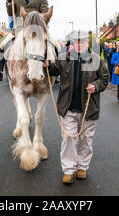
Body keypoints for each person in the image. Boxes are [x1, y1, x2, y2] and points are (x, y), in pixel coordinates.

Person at [45, 30, 109, 184]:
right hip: (68, 108)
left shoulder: (96, 59)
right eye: (76, 42)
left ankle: (82, 167)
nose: (79, 45)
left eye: (82, 42)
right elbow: (52, 70)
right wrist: (46, 64)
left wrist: (95, 85)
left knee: (86, 139)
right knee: (68, 139)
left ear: (87, 43)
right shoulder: (64, 59)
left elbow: (105, 78)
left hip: (89, 108)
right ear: (73, 44)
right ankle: (68, 170)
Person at [0, 0, 50, 81]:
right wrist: (9, 2)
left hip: (36, 29)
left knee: (54, 45)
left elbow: (44, 13)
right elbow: (11, 13)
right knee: (3, 45)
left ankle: (53, 72)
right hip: (19, 29)